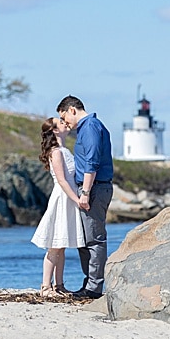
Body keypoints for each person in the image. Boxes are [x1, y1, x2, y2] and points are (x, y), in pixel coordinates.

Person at [56, 95, 113, 300]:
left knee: (93, 239)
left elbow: (92, 162)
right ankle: (90, 282)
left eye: (65, 117)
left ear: (72, 109)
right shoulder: (88, 127)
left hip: (94, 188)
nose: (66, 123)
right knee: (84, 239)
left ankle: (94, 287)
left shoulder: (89, 127)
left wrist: (86, 192)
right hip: (92, 187)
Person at [30, 117, 86, 297]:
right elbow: (62, 180)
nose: (65, 123)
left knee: (61, 245)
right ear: (54, 130)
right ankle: (45, 286)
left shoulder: (64, 150)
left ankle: (59, 285)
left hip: (68, 196)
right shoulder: (55, 152)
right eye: (60, 122)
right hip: (63, 198)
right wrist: (77, 200)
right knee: (54, 245)